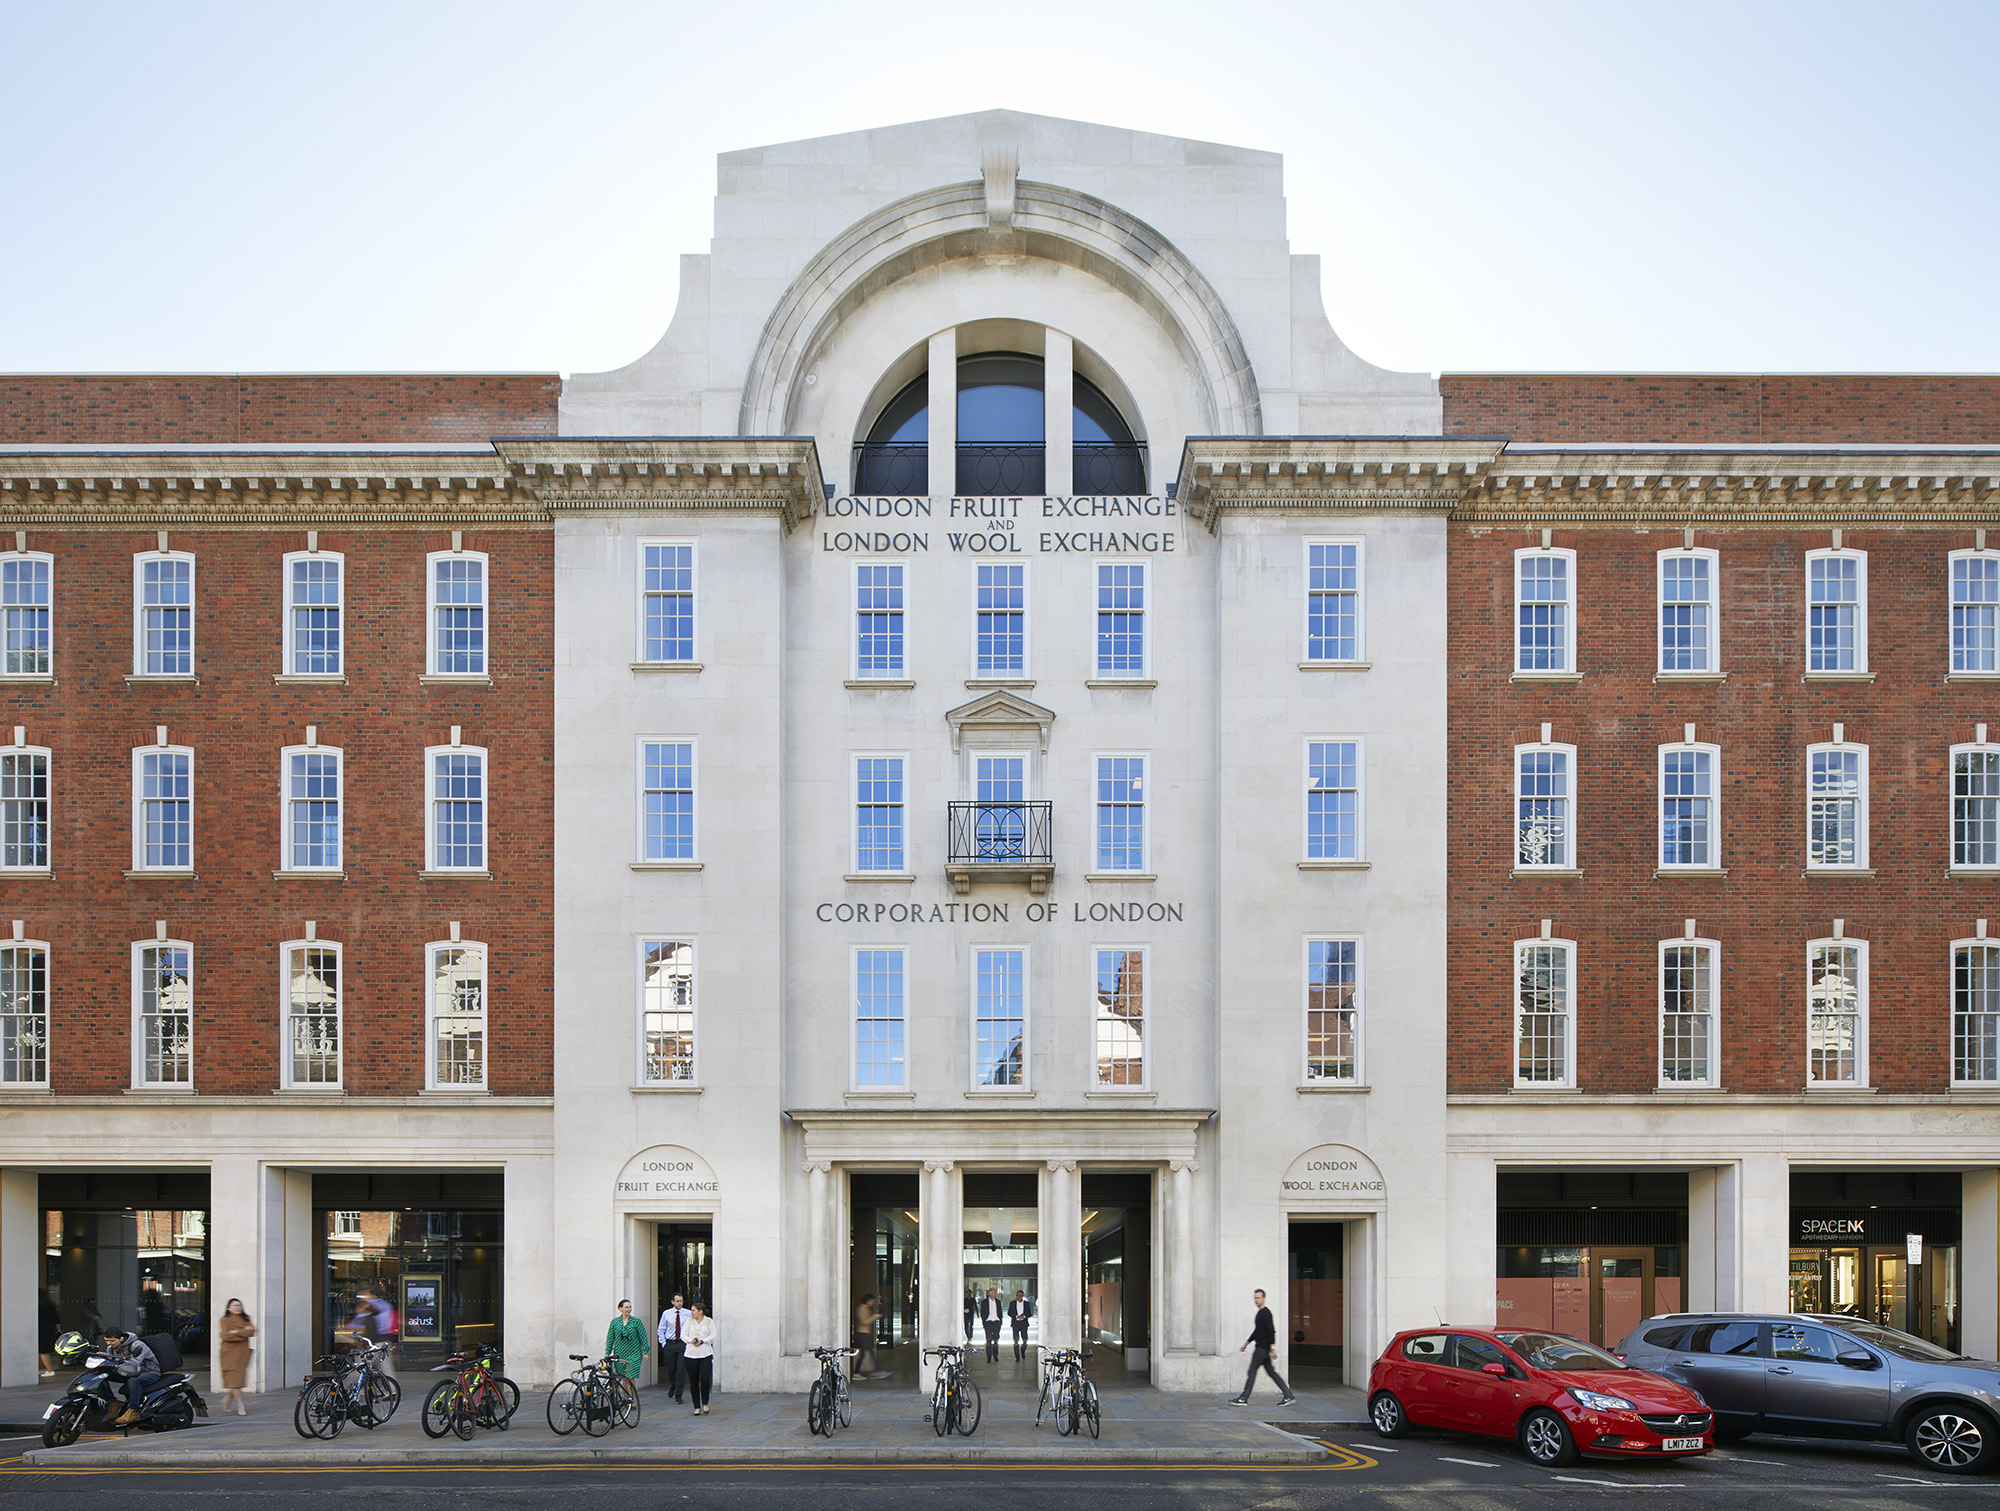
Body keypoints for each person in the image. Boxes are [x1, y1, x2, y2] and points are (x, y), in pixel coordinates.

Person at [1229, 1288, 1295, 1407]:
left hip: (1262, 1348)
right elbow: (1257, 1331)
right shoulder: (1260, 1313)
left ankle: (1244, 1398)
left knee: (1252, 1371)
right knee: (1271, 1372)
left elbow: (1271, 1331)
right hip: (1263, 1348)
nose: (1256, 1300)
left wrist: (1273, 1348)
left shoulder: (1266, 1313)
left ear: (1263, 1298)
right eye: (1255, 1298)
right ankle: (1288, 1394)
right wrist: (1246, 1343)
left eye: (1258, 1298)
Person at [100, 1326, 160, 1425]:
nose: (109, 1343)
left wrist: (116, 1360)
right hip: (127, 1371)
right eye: (106, 1341)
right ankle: (112, 1403)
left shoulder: (137, 1345)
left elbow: (134, 1364)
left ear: (121, 1338)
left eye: (112, 1341)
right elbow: (112, 1362)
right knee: (101, 1374)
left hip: (149, 1372)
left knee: (134, 1380)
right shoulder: (110, 1348)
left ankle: (133, 1411)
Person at [217, 1298, 256, 1416]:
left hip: (242, 1353)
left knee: (237, 1380)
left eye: (239, 1305)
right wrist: (242, 1332)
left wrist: (235, 1332)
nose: (237, 1307)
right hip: (229, 1353)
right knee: (234, 1379)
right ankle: (240, 1405)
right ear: (229, 1308)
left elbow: (252, 1331)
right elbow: (225, 1336)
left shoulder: (246, 1318)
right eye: (234, 1305)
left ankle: (227, 1399)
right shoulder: (225, 1320)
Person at [350, 1287, 397, 1378]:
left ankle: (360, 1390)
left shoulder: (368, 1306)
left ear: (372, 1294)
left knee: (359, 1369)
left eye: (364, 1294)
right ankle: (391, 1390)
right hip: (384, 1340)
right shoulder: (386, 1305)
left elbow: (358, 1322)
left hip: (372, 1341)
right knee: (385, 1368)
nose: (361, 1297)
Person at [656, 1291, 693, 1402]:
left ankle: (678, 1394)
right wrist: (663, 1343)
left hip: (682, 1344)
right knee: (671, 1370)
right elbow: (661, 1329)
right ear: (672, 1302)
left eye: (681, 1301)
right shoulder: (666, 1313)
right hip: (670, 1344)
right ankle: (673, 1385)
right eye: (677, 1301)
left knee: (681, 1370)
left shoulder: (688, 1313)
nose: (679, 1303)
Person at [683, 1300, 716, 1415]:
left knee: (705, 1379)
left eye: (693, 1310)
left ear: (700, 1311)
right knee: (693, 1381)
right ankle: (696, 1406)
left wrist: (703, 1341)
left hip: (705, 1353)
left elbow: (713, 1335)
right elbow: (683, 1335)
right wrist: (691, 1341)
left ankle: (705, 1403)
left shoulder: (709, 1321)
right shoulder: (688, 1322)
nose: (691, 1313)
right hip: (691, 1354)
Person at [606, 1299, 648, 1385]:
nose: (629, 1309)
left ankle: (632, 1397)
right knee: (623, 1377)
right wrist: (607, 1352)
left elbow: (643, 1337)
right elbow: (610, 1338)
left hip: (634, 1353)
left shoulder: (636, 1321)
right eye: (626, 1307)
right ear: (620, 1308)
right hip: (620, 1353)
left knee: (630, 1376)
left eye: (630, 1307)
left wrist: (646, 1352)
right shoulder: (615, 1322)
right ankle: (626, 1397)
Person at [853, 1293, 881, 1379]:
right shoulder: (862, 1309)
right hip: (863, 1333)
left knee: (865, 1353)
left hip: (865, 1333)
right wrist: (874, 1317)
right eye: (872, 1301)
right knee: (867, 1352)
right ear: (868, 1301)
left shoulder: (865, 1309)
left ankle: (858, 1373)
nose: (872, 1303)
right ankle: (858, 1373)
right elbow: (865, 1321)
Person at [38, 1288, 60, 1376]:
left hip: (41, 1328)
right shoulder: (50, 1304)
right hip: (50, 1328)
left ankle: (50, 1370)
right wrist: (58, 1329)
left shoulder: (38, 1305)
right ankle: (49, 1369)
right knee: (44, 1350)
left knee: (43, 1351)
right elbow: (56, 1318)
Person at [981, 1287, 1003, 1363]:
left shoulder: (998, 1302)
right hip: (988, 1322)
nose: (995, 1294)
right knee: (989, 1340)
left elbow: (1000, 1313)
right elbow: (982, 1313)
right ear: (990, 1293)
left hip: (996, 1322)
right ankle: (989, 1358)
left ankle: (996, 1356)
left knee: (996, 1341)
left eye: (995, 1292)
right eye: (994, 1292)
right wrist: (984, 1323)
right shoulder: (984, 1302)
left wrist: (1000, 1322)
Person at [1008, 1290, 1031, 1361]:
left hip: (1024, 1323)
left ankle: (1022, 1351)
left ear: (1023, 1296)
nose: (1019, 1297)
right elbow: (1009, 1312)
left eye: (1020, 1296)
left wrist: (1024, 1316)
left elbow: (1030, 1313)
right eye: (1018, 1296)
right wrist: (1016, 1316)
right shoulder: (1012, 1303)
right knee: (1016, 1340)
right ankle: (1017, 1357)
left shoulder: (1026, 1304)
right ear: (1016, 1296)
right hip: (1016, 1324)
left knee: (1025, 1340)